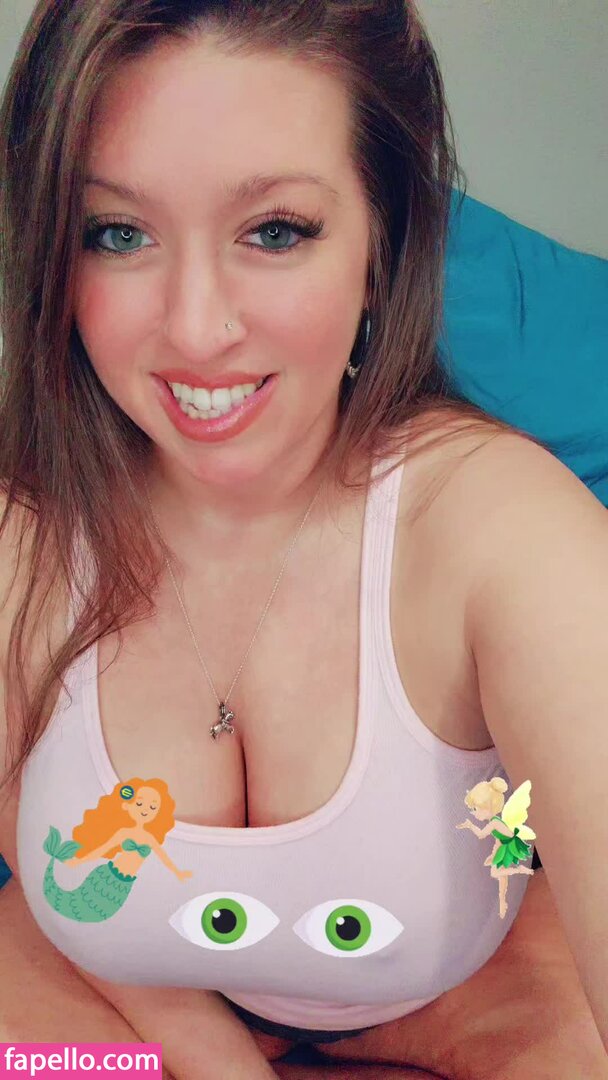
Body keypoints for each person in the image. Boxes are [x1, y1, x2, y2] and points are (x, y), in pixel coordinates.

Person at [1, 2, 606, 1078]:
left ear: (383, 241)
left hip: (474, 982)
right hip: (129, 989)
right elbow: (35, 846)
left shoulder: (511, 537)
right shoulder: (24, 536)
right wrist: (218, 1062)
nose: (196, 328)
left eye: (275, 231)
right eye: (118, 233)